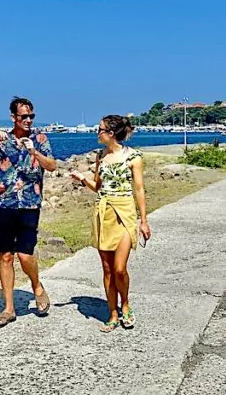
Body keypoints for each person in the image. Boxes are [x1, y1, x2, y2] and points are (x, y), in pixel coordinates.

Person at [0, 96, 57, 329]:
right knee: (6, 255)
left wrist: (34, 153)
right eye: (23, 116)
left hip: (29, 203)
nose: (28, 120)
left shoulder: (40, 139)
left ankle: (37, 286)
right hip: (4, 205)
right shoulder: (1, 142)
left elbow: (52, 166)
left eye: (31, 116)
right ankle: (9, 309)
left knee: (25, 255)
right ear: (13, 118)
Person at [70, 115, 151, 332]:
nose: (97, 133)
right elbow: (98, 186)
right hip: (103, 212)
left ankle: (125, 304)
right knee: (107, 269)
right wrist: (82, 179)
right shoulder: (100, 156)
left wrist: (143, 220)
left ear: (111, 133)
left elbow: (139, 189)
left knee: (119, 268)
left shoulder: (133, 157)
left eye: (100, 129)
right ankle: (113, 312)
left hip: (124, 213)